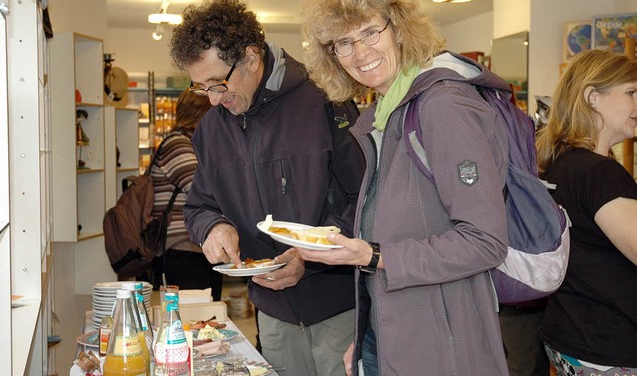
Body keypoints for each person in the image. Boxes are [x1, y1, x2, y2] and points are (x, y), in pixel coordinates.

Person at [300, 0, 511, 374]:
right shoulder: (386, 113)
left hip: (444, 347)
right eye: (343, 42)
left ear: (397, 29)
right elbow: (399, 228)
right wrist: (368, 334)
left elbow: (484, 241)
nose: (360, 52)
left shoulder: (443, 106)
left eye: (369, 32)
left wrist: (373, 255)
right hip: (399, 333)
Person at [170, 0, 366, 374]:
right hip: (272, 314)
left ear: (250, 58)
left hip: (339, 307)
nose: (213, 99)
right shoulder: (212, 130)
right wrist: (214, 227)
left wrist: (306, 257)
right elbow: (199, 207)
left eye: (218, 83)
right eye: (201, 87)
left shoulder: (325, 101)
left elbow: (366, 199)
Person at [535, 49, 637, 375]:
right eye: (632, 92)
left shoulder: (561, 163)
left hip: (572, 332)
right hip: (606, 343)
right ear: (593, 97)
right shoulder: (599, 173)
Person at [148, 90, 224, 303]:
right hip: (183, 248)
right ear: (202, 114)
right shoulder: (177, 144)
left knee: (206, 314)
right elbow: (203, 190)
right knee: (196, 316)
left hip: (195, 247)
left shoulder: (191, 144)